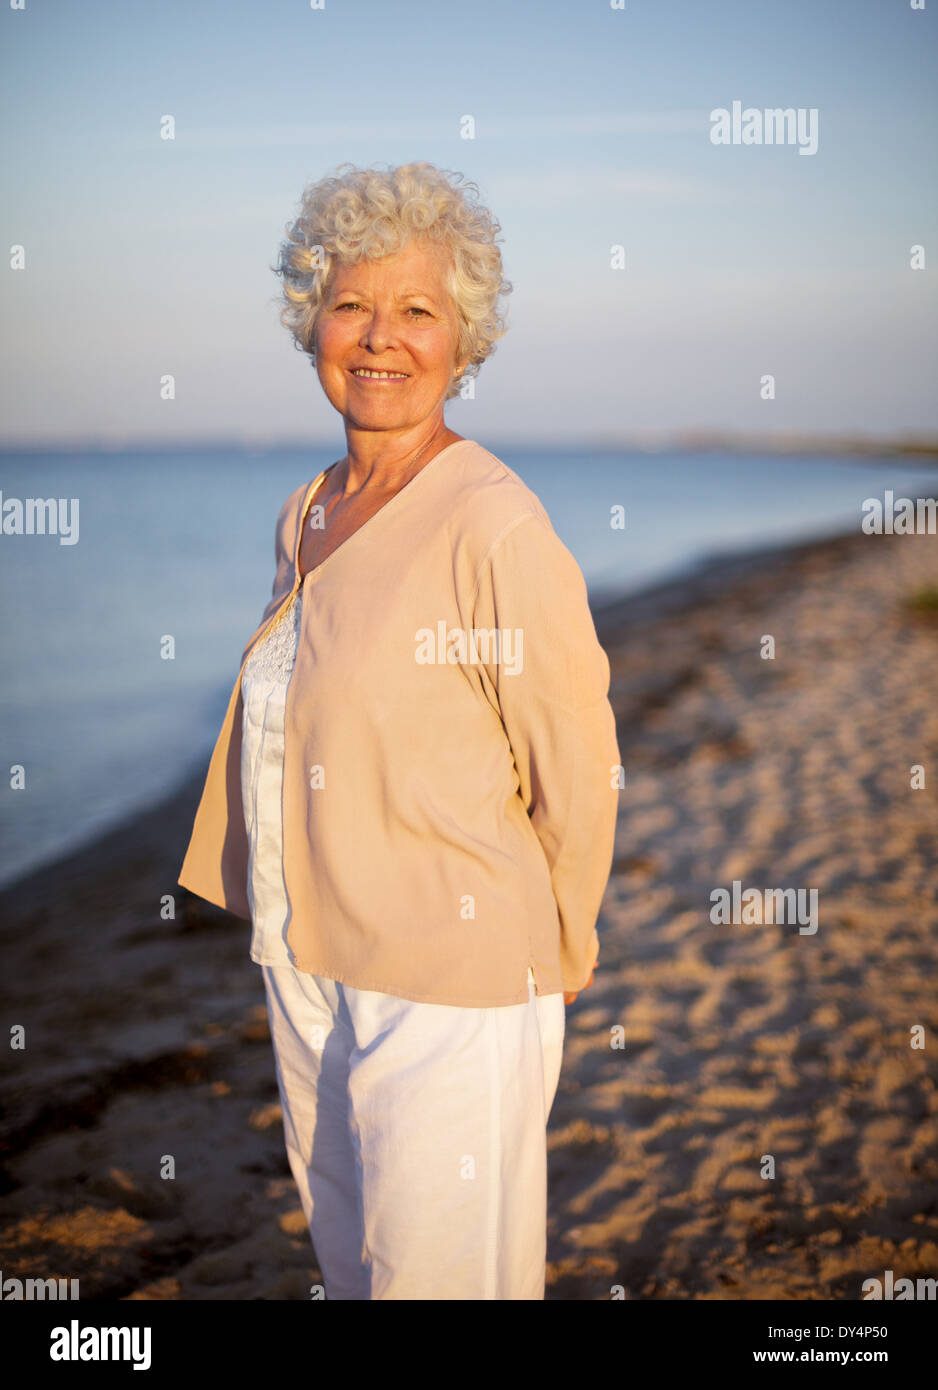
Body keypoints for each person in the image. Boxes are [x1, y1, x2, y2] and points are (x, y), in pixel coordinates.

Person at [178, 161, 620, 1299]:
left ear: (463, 340)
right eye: (351, 305)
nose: (379, 339)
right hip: (304, 954)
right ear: (311, 323)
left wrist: (562, 943)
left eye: (416, 310)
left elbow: (574, 755)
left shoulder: (493, 523)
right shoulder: (306, 510)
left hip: (453, 980)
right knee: (355, 1266)